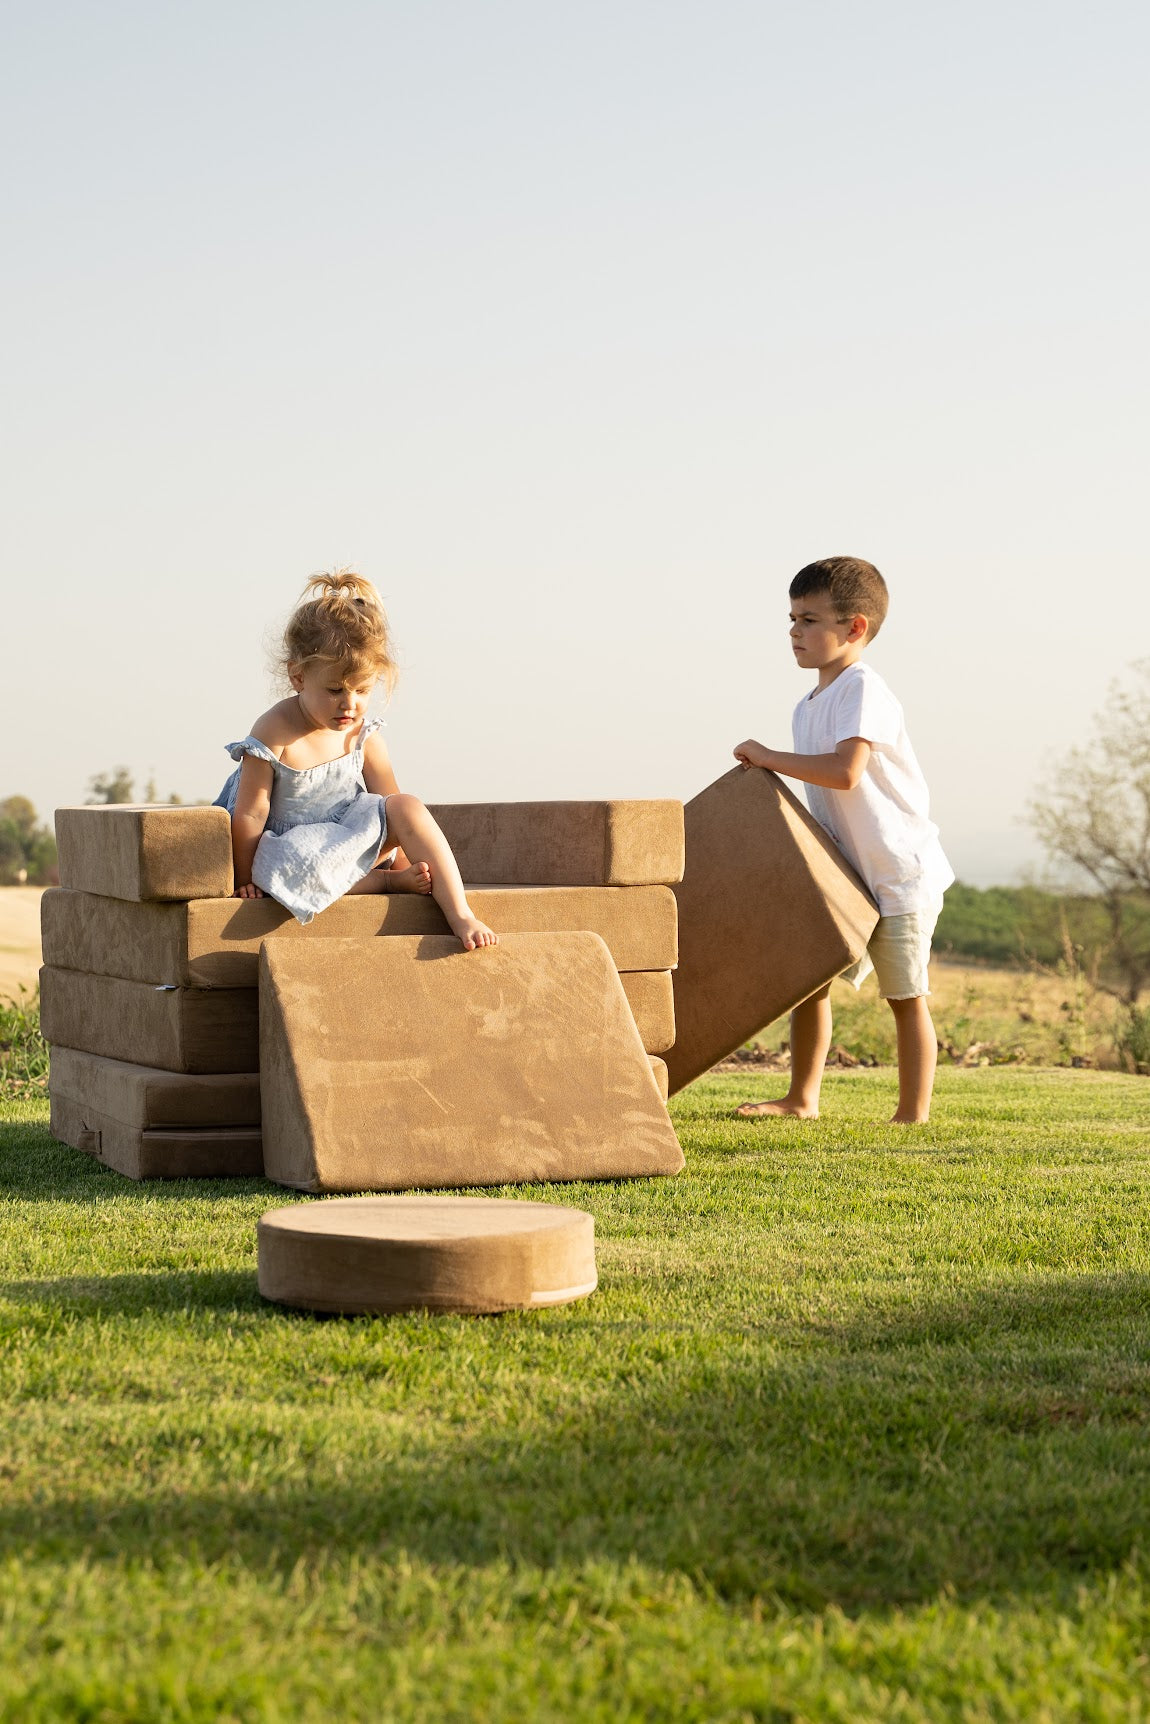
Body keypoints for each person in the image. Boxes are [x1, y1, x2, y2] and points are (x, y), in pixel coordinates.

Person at [732, 556, 952, 1123]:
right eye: (791, 618)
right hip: (846, 875)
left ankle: (912, 1114)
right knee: (810, 984)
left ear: (854, 627)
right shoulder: (808, 704)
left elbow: (845, 771)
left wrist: (768, 758)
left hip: (896, 876)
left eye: (808, 619)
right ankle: (802, 1099)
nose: (793, 632)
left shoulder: (862, 688)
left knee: (905, 999)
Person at [214, 569, 497, 950]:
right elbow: (249, 814)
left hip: (348, 839)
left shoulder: (363, 734)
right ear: (297, 677)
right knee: (294, 862)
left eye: (363, 690)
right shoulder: (274, 731)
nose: (349, 704)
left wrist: (403, 862)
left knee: (408, 805)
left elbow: (390, 811)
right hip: (292, 845)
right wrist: (243, 877)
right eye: (334, 690)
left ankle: (460, 912)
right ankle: (383, 883)